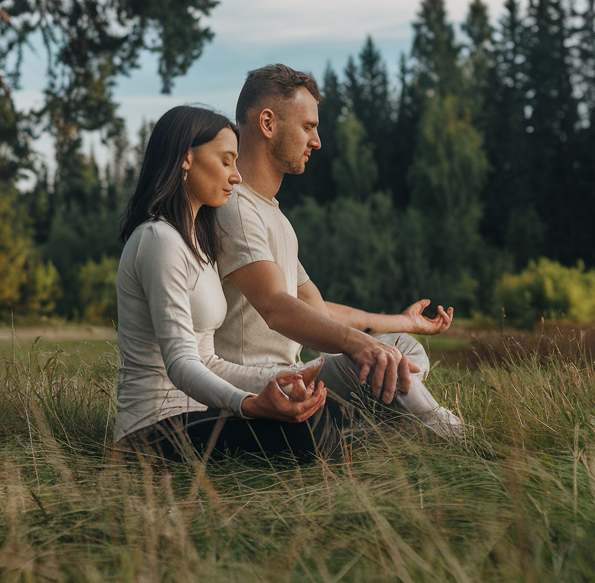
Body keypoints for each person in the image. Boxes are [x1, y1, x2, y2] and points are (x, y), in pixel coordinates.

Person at [215, 64, 465, 439]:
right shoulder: (234, 207)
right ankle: (453, 436)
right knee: (376, 356)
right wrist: (359, 346)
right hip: (254, 388)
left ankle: (363, 434)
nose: (316, 141)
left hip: (295, 373)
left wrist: (404, 322)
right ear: (268, 123)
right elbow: (275, 307)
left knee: (402, 347)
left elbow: (319, 311)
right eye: (308, 127)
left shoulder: (274, 216)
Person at [113, 104, 342, 462]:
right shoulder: (156, 239)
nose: (236, 176)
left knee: (325, 418)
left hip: (199, 413)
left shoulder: (197, 244)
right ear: (186, 158)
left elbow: (208, 360)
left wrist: (281, 378)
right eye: (226, 161)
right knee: (311, 433)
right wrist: (249, 405)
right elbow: (180, 363)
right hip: (152, 427)